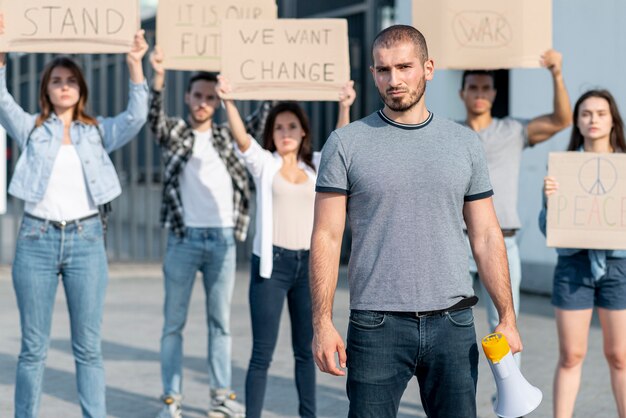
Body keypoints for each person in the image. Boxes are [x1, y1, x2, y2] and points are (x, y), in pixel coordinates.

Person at [310, 24, 522, 418]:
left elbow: (487, 235)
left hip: (453, 322)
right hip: (376, 324)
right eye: (383, 70)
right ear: (373, 73)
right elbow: (326, 234)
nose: (394, 80)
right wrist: (322, 323)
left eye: (404, 67)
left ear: (428, 68)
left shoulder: (463, 143)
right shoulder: (345, 143)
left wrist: (507, 317)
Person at [0, 27, 149, 417]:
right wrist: (1, 53)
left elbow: (137, 116)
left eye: (70, 81)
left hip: (86, 242)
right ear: (46, 89)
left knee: (88, 347)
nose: (64, 87)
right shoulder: (31, 128)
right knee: (33, 348)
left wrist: (135, 63)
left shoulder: (97, 131)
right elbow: (0, 98)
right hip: (37, 239)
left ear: (81, 89)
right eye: (56, 81)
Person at [217, 76, 355, 418]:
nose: (286, 132)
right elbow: (241, 139)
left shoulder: (317, 166)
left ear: (304, 131)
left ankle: (308, 415)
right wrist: (227, 101)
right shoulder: (266, 165)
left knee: (306, 352)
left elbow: (341, 140)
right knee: (262, 353)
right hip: (272, 268)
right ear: (272, 134)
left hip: (308, 268)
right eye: (279, 127)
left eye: (292, 126)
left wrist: (344, 105)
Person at [148, 46, 270, 418]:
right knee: (173, 324)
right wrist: (157, 76)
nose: (202, 102)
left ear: (217, 101)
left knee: (220, 324)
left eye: (209, 98)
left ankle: (220, 397)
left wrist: (258, 71)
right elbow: (154, 118)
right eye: (197, 96)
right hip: (184, 240)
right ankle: (172, 399)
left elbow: (261, 117)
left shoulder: (226, 135)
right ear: (187, 97)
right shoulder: (176, 133)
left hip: (221, 241)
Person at [459, 55, 572, 348]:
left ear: (494, 94)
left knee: (504, 328)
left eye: (486, 88)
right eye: (474, 88)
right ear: (463, 93)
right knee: (450, 329)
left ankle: (507, 396)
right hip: (455, 241)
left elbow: (562, 120)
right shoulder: (450, 134)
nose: (480, 94)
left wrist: (556, 73)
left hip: (502, 240)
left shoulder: (512, 130)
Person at [540, 90, 626, 418]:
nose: (593, 120)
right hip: (574, 266)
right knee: (571, 355)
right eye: (586, 113)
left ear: (612, 119)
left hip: (619, 265)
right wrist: (551, 201)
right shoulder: (562, 169)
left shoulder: (624, 167)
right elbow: (549, 229)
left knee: (620, 356)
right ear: (577, 120)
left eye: (601, 113)